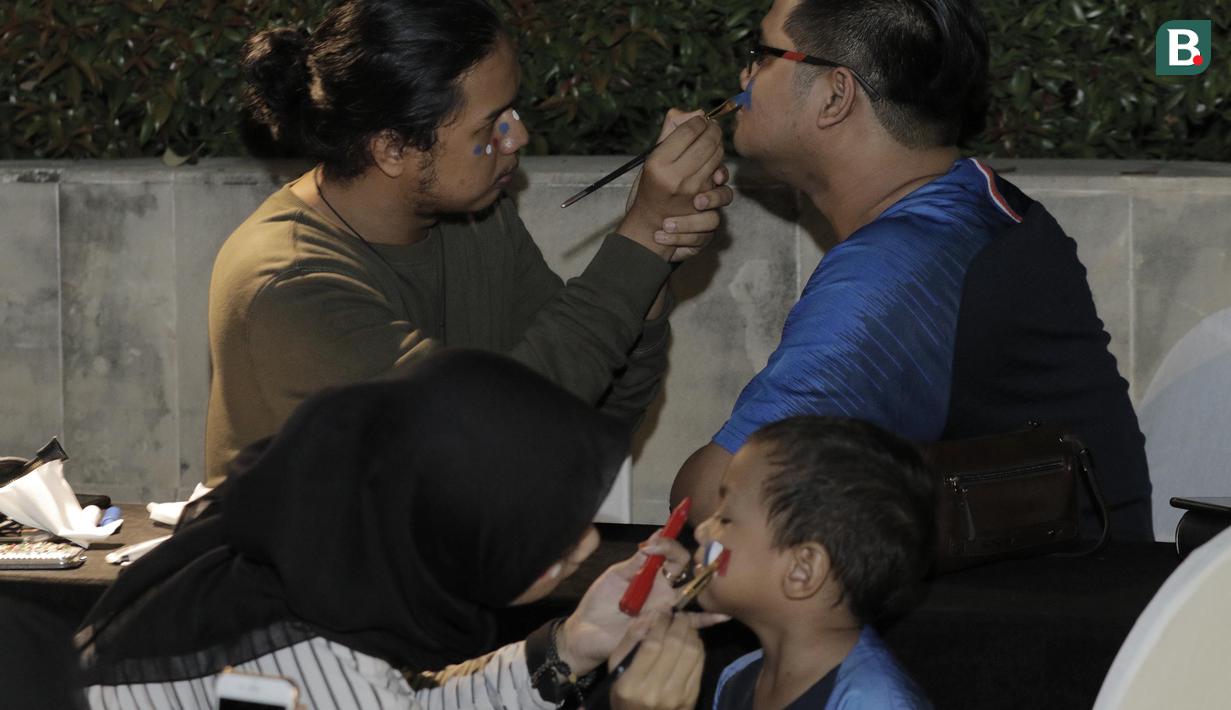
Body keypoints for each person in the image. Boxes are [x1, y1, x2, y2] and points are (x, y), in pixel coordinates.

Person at [672, 0, 1152, 539]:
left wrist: (647, 241)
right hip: (1080, 597)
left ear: (835, 94)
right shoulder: (978, 205)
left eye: (762, 55)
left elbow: (711, 504)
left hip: (1035, 612)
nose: (744, 76)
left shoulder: (895, 270)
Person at [206, 0, 734, 485]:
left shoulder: (477, 220)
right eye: (491, 127)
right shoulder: (287, 282)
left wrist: (652, 267)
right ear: (393, 148)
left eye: (515, 111)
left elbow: (587, 418)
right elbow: (491, 435)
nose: (518, 137)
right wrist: (637, 242)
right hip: (304, 584)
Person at [76, 350, 724, 709]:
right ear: (456, 543)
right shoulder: (294, 674)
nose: (585, 546)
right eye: (548, 541)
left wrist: (572, 645)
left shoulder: (288, 557)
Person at [695, 416, 935, 709]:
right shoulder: (737, 679)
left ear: (802, 570)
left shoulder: (874, 703)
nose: (701, 531)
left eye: (725, 518)